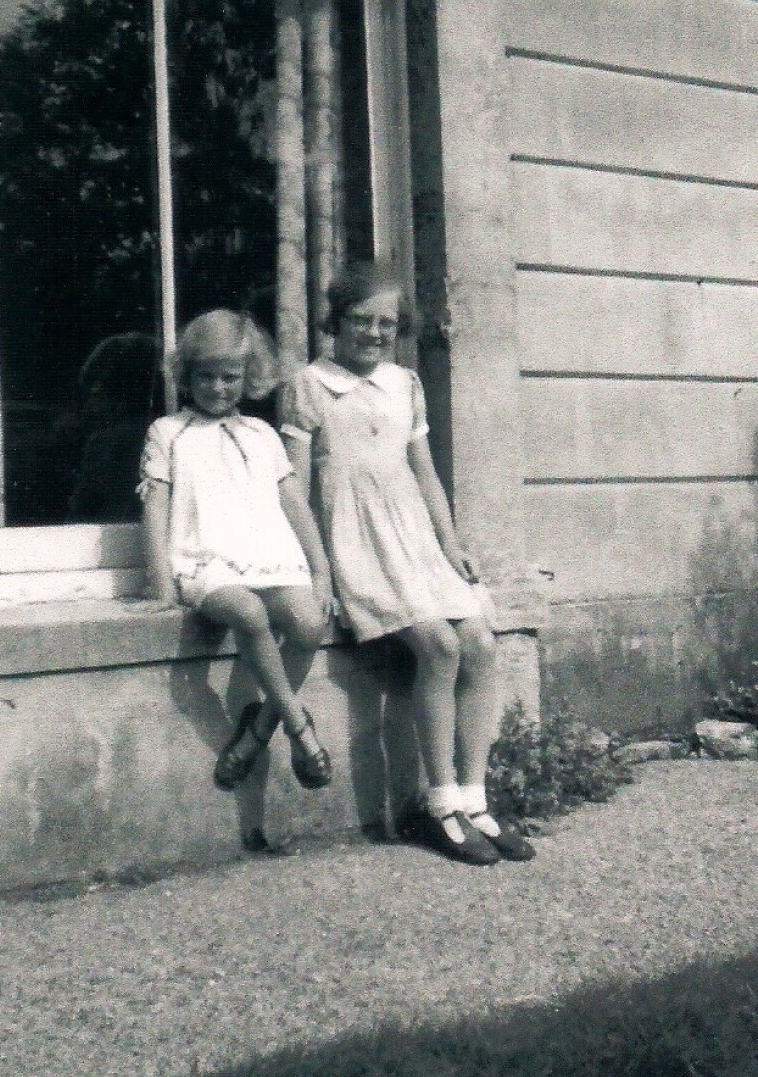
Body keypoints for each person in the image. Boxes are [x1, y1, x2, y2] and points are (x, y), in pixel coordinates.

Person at [281, 262, 534, 863]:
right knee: (439, 648)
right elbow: (287, 484)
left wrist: (450, 546)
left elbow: (424, 473)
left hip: (416, 541)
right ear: (335, 322)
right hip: (355, 544)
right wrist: (317, 571)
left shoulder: (406, 384)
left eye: (386, 323)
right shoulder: (308, 385)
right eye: (361, 320)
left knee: (478, 642)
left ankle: (475, 800)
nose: (373, 332)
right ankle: (439, 804)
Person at [138, 309, 334, 792]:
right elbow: (155, 510)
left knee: (309, 622)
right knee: (247, 613)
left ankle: (258, 731)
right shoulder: (167, 432)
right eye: (205, 376)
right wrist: (162, 583)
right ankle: (301, 730)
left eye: (230, 377)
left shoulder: (262, 435)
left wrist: (321, 571)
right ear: (187, 376)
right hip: (205, 561)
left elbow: (295, 506)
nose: (218, 388)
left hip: (268, 557)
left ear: (250, 379)